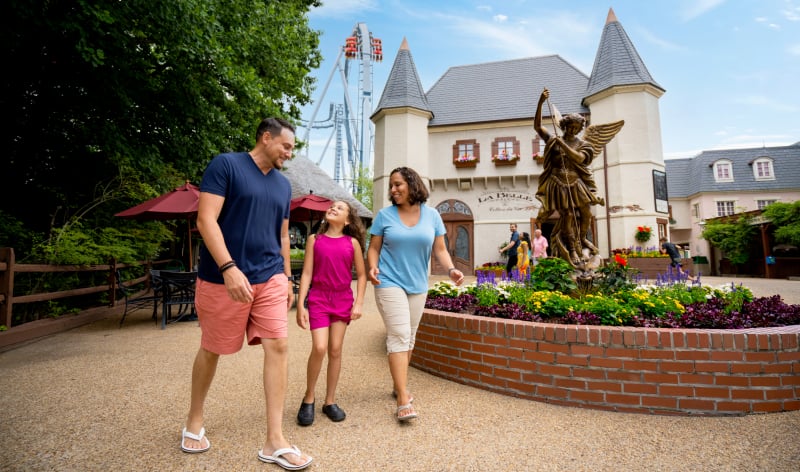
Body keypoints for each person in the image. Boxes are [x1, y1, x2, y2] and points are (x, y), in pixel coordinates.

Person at [182, 117, 312, 470]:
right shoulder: (226, 165)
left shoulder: (284, 186)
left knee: (279, 345)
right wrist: (227, 268)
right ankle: (194, 420)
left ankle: (275, 440)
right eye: (286, 146)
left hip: (269, 275)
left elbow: (283, 235)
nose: (289, 153)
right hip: (222, 277)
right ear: (266, 138)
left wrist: (286, 277)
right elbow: (205, 220)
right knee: (212, 349)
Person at [367, 166, 465, 422]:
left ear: (412, 184)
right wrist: (372, 265)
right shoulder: (384, 216)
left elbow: (441, 249)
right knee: (399, 335)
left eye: (397, 184)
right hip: (389, 281)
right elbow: (373, 248)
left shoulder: (432, 216)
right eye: (391, 185)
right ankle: (402, 397)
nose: (393, 189)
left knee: (409, 338)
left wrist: (452, 269)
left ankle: (398, 384)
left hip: (418, 284)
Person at [295, 200, 367, 426]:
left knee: (335, 350)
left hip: (342, 299)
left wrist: (359, 303)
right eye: (332, 206)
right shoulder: (314, 240)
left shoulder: (352, 243)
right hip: (319, 298)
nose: (334, 208)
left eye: (340, 208)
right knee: (319, 347)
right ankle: (309, 398)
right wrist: (300, 304)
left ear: (347, 220)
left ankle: (329, 401)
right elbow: (306, 273)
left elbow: (362, 275)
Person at [533, 87, 623, 267]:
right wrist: (541, 103)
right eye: (570, 127)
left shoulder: (583, 144)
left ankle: (582, 239)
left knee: (586, 213)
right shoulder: (553, 139)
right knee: (566, 214)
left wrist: (563, 145)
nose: (573, 130)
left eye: (577, 127)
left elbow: (580, 159)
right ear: (564, 126)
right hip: (558, 182)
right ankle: (573, 250)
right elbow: (537, 126)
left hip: (576, 182)